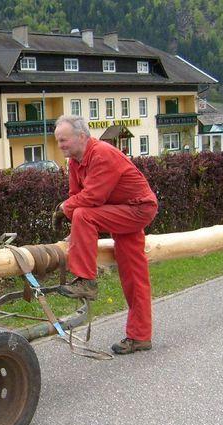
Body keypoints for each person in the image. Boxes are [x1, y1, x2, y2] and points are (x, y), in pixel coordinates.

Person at [52, 115, 158, 355]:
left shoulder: (102, 154)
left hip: (138, 208)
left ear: (81, 136)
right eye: (58, 141)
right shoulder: (75, 162)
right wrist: (75, 233)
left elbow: (91, 199)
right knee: (134, 275)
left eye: (64, 140)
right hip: (121, 210)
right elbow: (76, 195)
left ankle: (86, 282)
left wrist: (63, 209)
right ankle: (140, 337)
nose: (60, 146)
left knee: (82, 215)